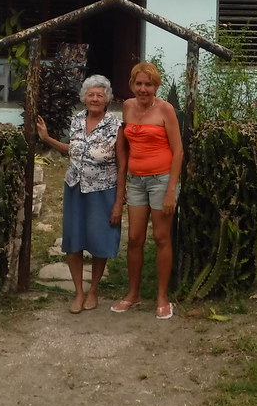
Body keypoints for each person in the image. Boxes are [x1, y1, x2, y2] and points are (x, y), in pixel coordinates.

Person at [36, 74, 125, 314]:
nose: (95, 98)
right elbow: (72, 150)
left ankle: (94, 289)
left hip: (103, 191)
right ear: (84, 98)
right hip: (75, 187)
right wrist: (47, 139)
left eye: (100, 95)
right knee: (73, 241)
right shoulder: (76, 120)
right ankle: (78, 292)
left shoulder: (116, 126)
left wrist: (119, 202)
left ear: (107, 99)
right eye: (90, 94)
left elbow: (122, 164)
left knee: (99, 241)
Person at [110, 61, 184, 320]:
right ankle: (133, 293)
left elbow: (178, 151)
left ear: (156, 86)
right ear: (132, 84)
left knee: (162, 238)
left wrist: (171, 190)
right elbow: (127, 146)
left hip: (161, 180)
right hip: (136, 181)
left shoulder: (166, 109)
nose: (143, 89)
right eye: (139, 83)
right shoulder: (127, 107)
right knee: (134, 239)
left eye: (148, 84)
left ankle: (162, 296)